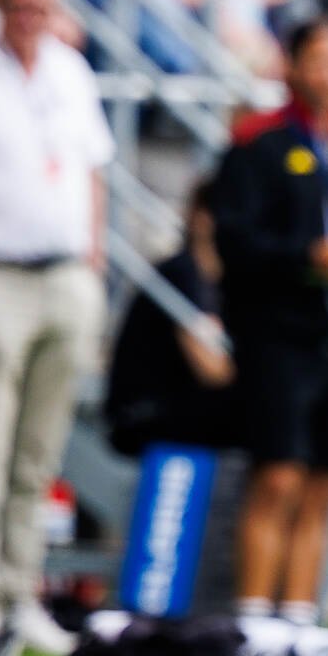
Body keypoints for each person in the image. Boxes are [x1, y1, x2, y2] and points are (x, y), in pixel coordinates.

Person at [0, 0, 111, 656]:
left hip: (64, 274)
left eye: (42, 7)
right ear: (1, 5)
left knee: (39, 449)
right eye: (20, 6)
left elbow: (92, 169)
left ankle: (21, 589)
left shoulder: (70, 72)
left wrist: (93, 260)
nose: (30, 20)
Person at [209, 18, 328, 626]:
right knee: (277, 477)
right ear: (294, 67)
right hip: (275, 335)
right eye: (320, 61)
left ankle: (299, 619)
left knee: (323, 482)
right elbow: (235, 241)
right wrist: (306, 258)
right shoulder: (260, 147)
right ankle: (253, 619)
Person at [104, 183, 238, 458]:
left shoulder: (221, 280)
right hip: (142, 416)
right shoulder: (181, 273)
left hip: (173, 413)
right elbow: (211, 369)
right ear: (201, 218)